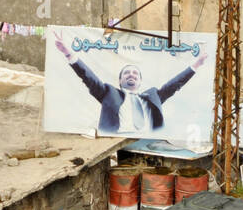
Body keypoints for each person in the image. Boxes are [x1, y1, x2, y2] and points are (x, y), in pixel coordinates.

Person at [54, 34, 208, 135]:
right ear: (120, 81)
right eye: (126, 73)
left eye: (135, 73)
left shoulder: (153, 96)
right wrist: (68, 53)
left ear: (140, 81)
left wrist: (197, 64)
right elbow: (89, 78)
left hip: (147, 139)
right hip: (116, 139)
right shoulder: (108, 93)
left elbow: (174, 84)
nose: (131, 75)